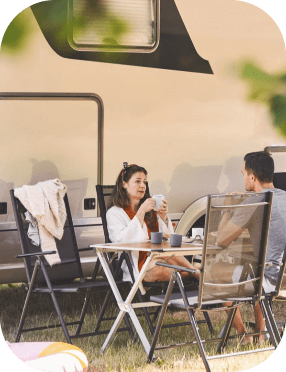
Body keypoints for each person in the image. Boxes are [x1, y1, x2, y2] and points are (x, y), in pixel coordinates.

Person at [216, 151, 286, 343]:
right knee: (256, 266)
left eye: (243, 174)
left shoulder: (255, 201)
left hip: (267, 279)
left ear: (252, 176)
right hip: (282, 277)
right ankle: (260, 333)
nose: (243, 178)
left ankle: (242, 334)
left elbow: (222, 240)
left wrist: (229, 208)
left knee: (215, 272)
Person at [106, 163, 198, 294]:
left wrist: (163, 217)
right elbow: (120, 241)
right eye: (137, 181)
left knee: (167, 254)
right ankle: (196, 272)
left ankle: (194, 272)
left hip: (162, 257)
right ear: (124, 184)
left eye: (144, 182)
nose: (142, 186)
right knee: (159, 268)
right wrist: (140, 212)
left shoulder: (151, 211)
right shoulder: (114, 213)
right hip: (139, 265)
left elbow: (166, 239)